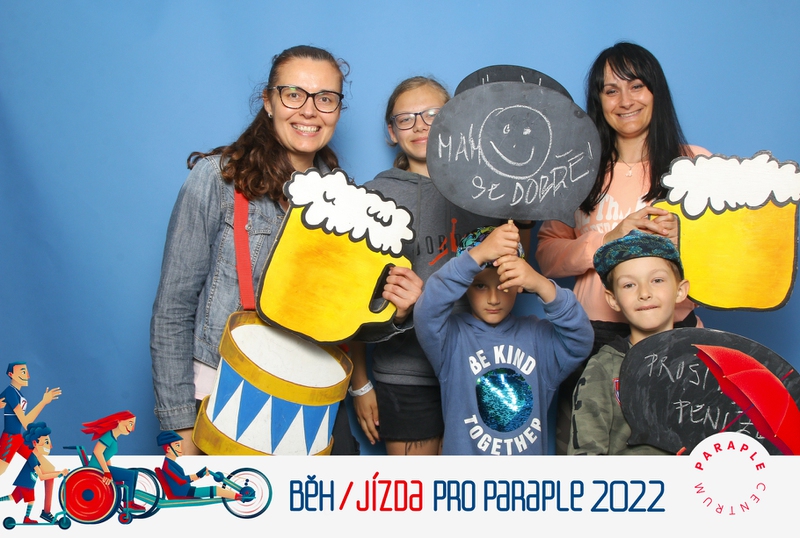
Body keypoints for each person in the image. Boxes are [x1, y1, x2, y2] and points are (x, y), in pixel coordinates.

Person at [150, 45, 398, 455]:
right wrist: (179, 426)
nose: (309, 111)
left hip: (313, 404)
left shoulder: (346, 204)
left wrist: (395, 310)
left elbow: (343, 322)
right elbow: (172, 310)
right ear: (268, 101)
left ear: (338, 109)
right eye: (293, 94)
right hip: (224, 401)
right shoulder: (217, 180)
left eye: (325, 98)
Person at [534, 42, 710, 453]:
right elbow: (546, 256)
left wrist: (684, 242)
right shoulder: (576, 171)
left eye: (636, 86)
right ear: (598, 101)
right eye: (611, 90)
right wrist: (608, 239)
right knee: (586, 451)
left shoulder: (695, 165)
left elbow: (727, 259)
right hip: (590, 335)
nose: (625, 100)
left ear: (655, 92)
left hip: (674, 331)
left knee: (679, 449)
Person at [350, 76, 502, 455]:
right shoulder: (370, 199)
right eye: (406, 118)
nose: (420, 126)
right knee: (414, 491)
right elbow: (351, 302)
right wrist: (360, 383)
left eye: (433, 114)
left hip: (477, 367)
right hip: (406, 374)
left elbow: (510, 275)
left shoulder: (485, 190)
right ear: (391, 132)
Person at [414, 224, 593, 455]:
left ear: (520, 285)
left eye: (503, 285)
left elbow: (581, 339)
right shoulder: (452, 339)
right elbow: (427, 311)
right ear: (465, 286)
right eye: (480, 285)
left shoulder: (538, 338)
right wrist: (477, 256)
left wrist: (541, 283)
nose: (493, 298)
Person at [568, 230, 688, 455]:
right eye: (629, 285)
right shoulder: (604, 367)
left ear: (680, 291)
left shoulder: (700, 363)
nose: (644, 293)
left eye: (657, 280)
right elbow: (585, 452)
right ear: (613, 299)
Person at [0, 362, 61, 495]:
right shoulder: (11, 392)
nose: (27, 375)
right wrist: (43, 402)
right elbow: (26, 422)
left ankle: (46, 508)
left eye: (27, 372)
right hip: (10, 439)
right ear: (11, 374)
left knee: (47, 467)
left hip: (18, 438)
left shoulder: (16, 393)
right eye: (23, 371)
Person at [0, 422, 68, 524]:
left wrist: (59, 473)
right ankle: (26, 518)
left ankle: (26, 518)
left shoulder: (35, 458)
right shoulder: (33, 459)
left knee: (12, 497)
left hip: (25, 483)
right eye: (46, 442)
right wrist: (59, 474)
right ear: (35, 443)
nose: (50, 446)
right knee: (31, 501)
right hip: (26, 484)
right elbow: (41, 476)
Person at [155, 430, 249, 501]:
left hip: (188, 490)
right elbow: (181, 480)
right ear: (168, 449)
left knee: (216, 488)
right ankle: (240, 497)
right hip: (186, 493)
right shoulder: (167, 466)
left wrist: (199, 474)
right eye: (177, 445)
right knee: (216, 490)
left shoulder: (170, 463)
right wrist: (198, 474)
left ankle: (239, 496)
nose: (182, 449)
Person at [82, 410, 145, 511]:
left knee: (135, 473)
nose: (132, 428)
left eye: (133, 425)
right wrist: (107, 472)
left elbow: (106, 456)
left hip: (103, 467)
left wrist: (109, 469)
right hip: (97, 468)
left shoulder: (113, 437)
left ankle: (130, 502)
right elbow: (97, 452)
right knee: (130, 474)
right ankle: (128, 504)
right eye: (130, 423)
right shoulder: (108, 436)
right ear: (119, 421)